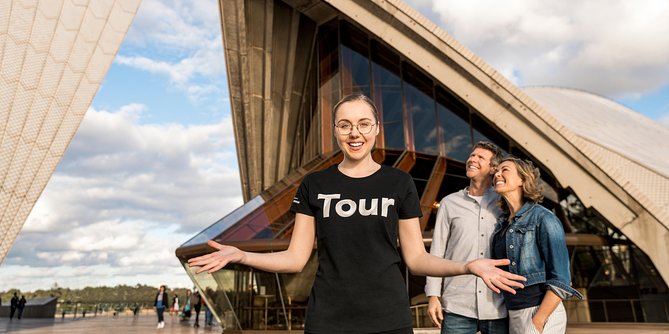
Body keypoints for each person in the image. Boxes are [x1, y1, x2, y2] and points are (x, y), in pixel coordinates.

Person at [189, 94, 525, 334]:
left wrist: (467, 266)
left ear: (377, 128)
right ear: (335, 130)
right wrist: (241, 255)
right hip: (327, 319)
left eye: (364, 124)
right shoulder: (315, 184)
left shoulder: (399, 182)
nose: (355, 133)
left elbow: (416, 259)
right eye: (345, 125)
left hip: (388, 319)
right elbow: (295, 259)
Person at [491, 157, 582, 334]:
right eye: (496, 171)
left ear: (522, 180)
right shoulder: (501, 225)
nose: (497, 174)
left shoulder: (543, 218)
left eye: (505, 170)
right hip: (513, 313)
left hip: (539, 312)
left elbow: (562, 279)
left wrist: (538, 321)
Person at [426, 141, 509, 334]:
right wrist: (432, 295)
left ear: (493, 169)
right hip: (457, 305)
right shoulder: (449, 203)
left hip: (498, 305)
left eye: (480, 157)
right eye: (472, 155)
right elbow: (437, 252)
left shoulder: (504, 204)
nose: (472, 159)